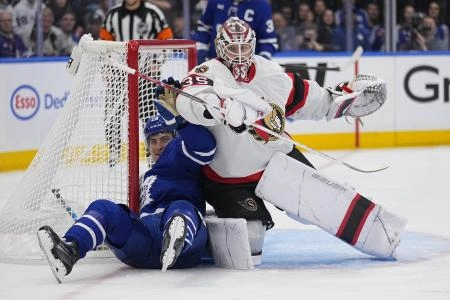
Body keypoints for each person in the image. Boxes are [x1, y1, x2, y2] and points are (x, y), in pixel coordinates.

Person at [174, 17, 405, 264]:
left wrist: (341, 100)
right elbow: (188, 99)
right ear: (220, 47)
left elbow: (309, 97)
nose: (239, 54)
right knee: (251, 242)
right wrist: (217, 107)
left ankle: (380, 236)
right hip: (229, 177)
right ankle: (209, 231)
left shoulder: (271, 72)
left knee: (314, 208)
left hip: (278, 161)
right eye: (232, 47)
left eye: (244, 47)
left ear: (253, 45)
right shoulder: (207, 72)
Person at [37, 81, 216, 282]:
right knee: (104, 208)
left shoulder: (180, 153)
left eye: (164, 138)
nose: (158, 146)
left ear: (175, 137)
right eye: (153, 141)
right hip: (144, 244)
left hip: (187, 246)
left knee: (181, 208)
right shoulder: (147, 177)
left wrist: (180, 120)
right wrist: (106, 233)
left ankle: (175, 238)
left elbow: (206, 148)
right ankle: (69, 250)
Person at [99, 0, 174, 166]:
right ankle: (114, 153)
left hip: (146, 75)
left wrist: (158, 61)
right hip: (120, 74)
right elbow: (103, 45)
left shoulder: (153, 13)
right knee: (111, 115)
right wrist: (106, 67)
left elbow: (167, 40)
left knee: (149, 117)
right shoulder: (113, 15)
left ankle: (151, 155)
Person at [194, 0, 278, 64]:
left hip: (247, 68)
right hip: (216, 64)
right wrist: (201, 51)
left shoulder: (262, 6)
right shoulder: (215, 1)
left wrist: (261, 62)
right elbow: (204, 28)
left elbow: (268, 41)